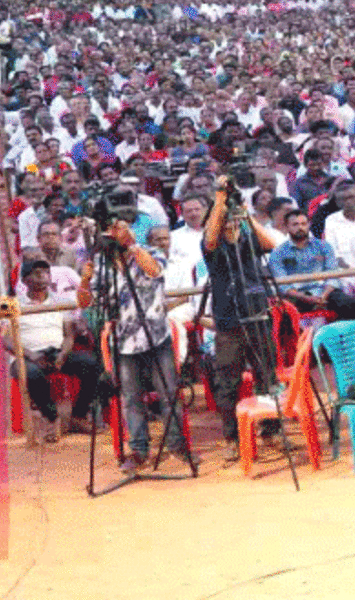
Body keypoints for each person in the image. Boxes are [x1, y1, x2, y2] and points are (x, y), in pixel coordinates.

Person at [77, 217, 194, 472]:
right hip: (124, 341)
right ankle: (139, 450)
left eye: (120, 230)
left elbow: (154, 271)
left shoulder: (148, 252)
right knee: (131, 398)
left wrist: (131, 244)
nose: (116, 235)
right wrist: (84, 281)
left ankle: (177, 445)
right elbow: (85, 303)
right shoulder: (101, 266)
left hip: (156, 335)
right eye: (111, 232)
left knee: (169, 393)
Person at [201, 175, 280, 462]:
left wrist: (246, 215)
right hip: (228, 319)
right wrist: (220, 200)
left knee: (267, 376)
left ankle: (270, 430)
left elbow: (270, 244)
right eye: (226, 218)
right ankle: (232, 438)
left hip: (257, 313)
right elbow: (211, 239)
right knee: (228, 382)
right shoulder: (212, 244)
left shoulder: (248, 238)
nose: (230, 222)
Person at [5, 260, 104, 441]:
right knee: (32, 374)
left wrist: (63, 354)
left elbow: (69, 335)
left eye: (46, 273)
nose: (44, 277)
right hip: (26, 356)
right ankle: (51, 418)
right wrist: (31, 355)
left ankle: (79, 415)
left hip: (56, 352)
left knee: (91, 364)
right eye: (37, 273)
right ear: (25, 280)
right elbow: (6, 339)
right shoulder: (11, 304)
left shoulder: (61, 301)